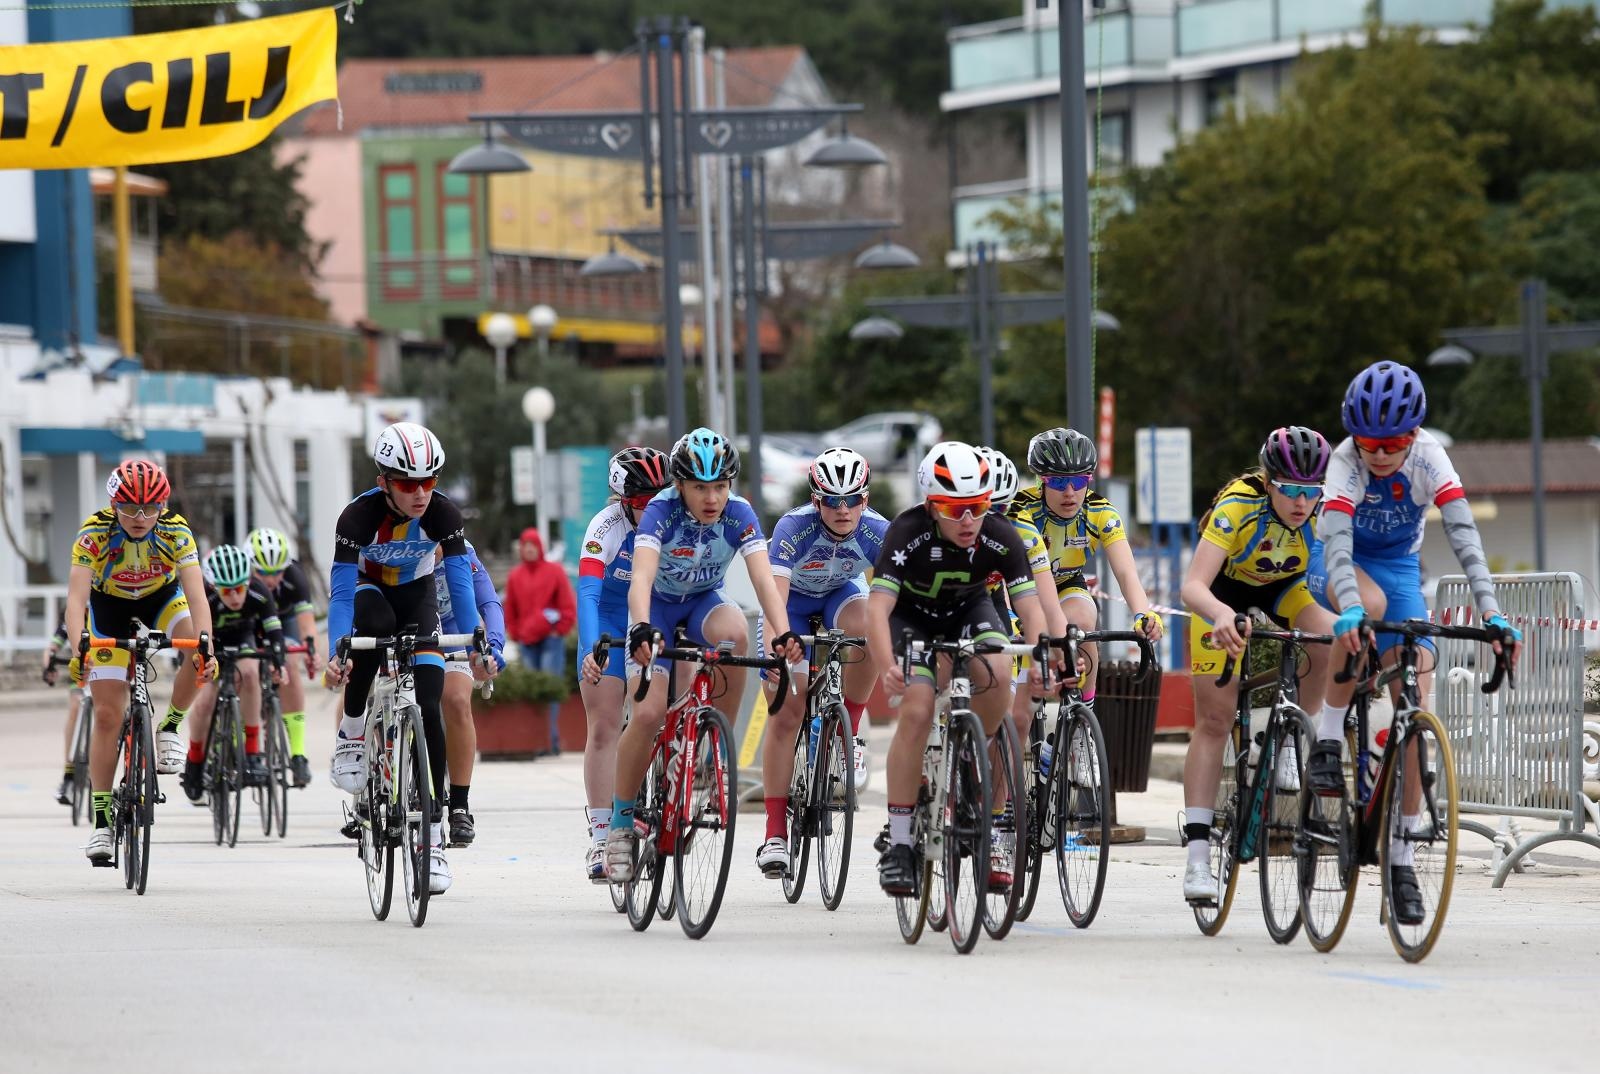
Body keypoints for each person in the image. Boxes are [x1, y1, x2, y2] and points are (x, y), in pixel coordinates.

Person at [1304, 361, 1520, 925]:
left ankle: (1399, 858)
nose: (1379, 455)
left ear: (1414, 435)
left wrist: (1493, 615)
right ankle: (1328, 741)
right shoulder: (1344, 462)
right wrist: (1348, 605)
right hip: (1339, 564)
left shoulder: (1430, 457)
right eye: (1370, 443)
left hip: (1399, 567)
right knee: (1366, 612)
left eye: (1393, 443)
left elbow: (1464, 535)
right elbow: (1338, 543)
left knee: (1416, 702)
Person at [603, 428, 805, 882]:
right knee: (650, 710)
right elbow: (641, 578)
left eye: (720, 486)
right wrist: (640, 626)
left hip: (701, 602)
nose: (711, 498)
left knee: (734, 633)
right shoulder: (660, 511)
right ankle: (619, 825)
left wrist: (784, 632)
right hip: (656, 605)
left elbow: (763, 582)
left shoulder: (740, 514)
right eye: (699, 487)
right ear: (680, 486)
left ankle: (711, 757)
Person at [866, 441, 1059, 897]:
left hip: (969, 611)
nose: (969, 520)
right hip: (911, 620)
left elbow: (1029, 608)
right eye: (956, 510)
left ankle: (975, 758)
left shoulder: (1000, 535)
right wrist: (885, 664)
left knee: (997, 668)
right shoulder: (906, 531)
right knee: (914, 711)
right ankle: (899, 843)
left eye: (978, 507)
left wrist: (1038, 660)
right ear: (932, 506)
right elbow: (877, 610)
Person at [1178, 426, 1339, 904]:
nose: (1299, 502)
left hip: (1281, 589)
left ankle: (1291, 736)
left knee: (1331, 637)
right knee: (1214, 719)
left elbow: (1330, 586)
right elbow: (1193, 587)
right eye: (1289, 489)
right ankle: (1198, 860)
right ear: (1268, 482)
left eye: (1310, 492)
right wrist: (1222, 615)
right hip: (1221, 593)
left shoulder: (1324, 516)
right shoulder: (1239, 506)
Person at [322, 421, 478, 896]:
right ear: (383, 483)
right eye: (409, 483)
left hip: (416, 592)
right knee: (372, 628)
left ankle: (432, 842)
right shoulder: (356, 519)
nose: (421, 493)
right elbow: (342, 595)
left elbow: (461, 581)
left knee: (430, 706)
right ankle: (352, 734)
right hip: (369, 590)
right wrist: (336, 649)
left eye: (429, 481)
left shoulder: (444, 514)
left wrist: (475, 637)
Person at [63, 459, 214, 864]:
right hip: (107, 606)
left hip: (161, 599)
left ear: (163, 505)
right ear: (114, 505)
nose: (140, 517)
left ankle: (169, 727)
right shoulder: (95, 532)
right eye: (129, 508)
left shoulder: (175, 531)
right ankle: (100, 822)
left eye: (150, 508)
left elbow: (197, 596)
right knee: (109, 715)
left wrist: (207, 648)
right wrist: (79, 647)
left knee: (196, 653)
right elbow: (76, 599)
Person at [754, 447, 889, 879]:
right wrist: (780, 644)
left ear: (866, 500)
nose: (844, 509)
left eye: (854, 499)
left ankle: (849, 728)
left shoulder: (877, 531)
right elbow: (774, 594)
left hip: (838, 597)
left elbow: (893, 597)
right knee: (786, 715)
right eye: (832, 500)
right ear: (817, 502)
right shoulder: (794, 527)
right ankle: (775, 833)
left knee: (870, 627)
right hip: (789, 608)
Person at [1008, 428, 1164, 698]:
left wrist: (1143, 613)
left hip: (1067, 583)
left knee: (1080, 623)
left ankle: (1083, 711)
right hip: (1021, 589)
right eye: (1058, 483)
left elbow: (1126, 572)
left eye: (1079, 481)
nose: (1070, 492)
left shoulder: (1101, 512)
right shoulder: (1020, 511)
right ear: (1041, 481)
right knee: (1021, 700)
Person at [575, 446, 670, 882]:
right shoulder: (605, 526)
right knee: (605, 724)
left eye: (658, 497)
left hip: (651, 614)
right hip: (610, 620)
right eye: (638, 503)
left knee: (658, 712)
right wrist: (594, 645)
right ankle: (599, 837)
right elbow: (589, 594)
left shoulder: (675, 518)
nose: (649, 508)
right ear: (620, 500)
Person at [179, 545, 286, 802]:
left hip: (243, 638)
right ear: (215, 586)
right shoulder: (205, 596)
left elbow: (274, 631)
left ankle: (251, 751)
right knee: (204, 704)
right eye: (228, 591)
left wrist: (278, 662)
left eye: (240, 588)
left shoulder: (259, 592)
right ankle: (194, 762)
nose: (236, 597)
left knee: (250, 673)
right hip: (210, 643)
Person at [433, 541, 505, 848]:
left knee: (457, 701)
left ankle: (459, 806)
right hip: (406, 623)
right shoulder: (397, 547)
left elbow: (488, 602)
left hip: (451, 627)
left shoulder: (460, 548)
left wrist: (494, 647)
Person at [246, 527, 322, 787]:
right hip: (250, 624)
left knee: (289, 664)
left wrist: (310, 648)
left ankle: (298, 753)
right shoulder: (241, 579)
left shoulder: (295, 577)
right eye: (264, 573)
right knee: (246, 669)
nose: (271, 579)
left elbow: (307, 624)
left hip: (284, 621)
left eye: (277, 572)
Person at [503, 527, 576, 754]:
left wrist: (559, 630)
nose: (529, 549)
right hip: (527, 642)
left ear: (540, 547)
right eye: (525, 546)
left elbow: (567, 606)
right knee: (532, 691)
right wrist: (515, 633)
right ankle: (536, 741)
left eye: (533, 545)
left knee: (549, 690)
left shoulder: (555, 572)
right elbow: (509, 609)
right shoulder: (515, 576)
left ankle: (550, 741)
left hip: (550, 640)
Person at [42, 615, 82, 808]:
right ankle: (69, 773)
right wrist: (48, 666)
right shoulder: (76, 615)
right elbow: (51, 648)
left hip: (110, 669)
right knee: (75, 706)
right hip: (84, 672)